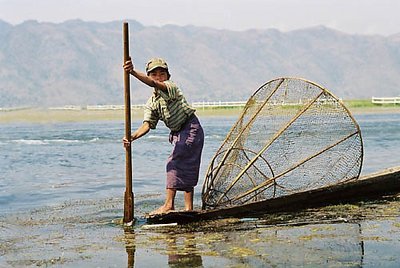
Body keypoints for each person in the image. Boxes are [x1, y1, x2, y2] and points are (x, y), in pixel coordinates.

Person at [123, 57, 204, 215]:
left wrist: (132, 72)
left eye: (162, 73)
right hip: (178, 132)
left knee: (174, 162)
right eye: (154, 74)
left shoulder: (170, 88)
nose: (159, 77)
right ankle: (188, 209)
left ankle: (169, 205)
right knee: (184, 164)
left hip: (191, 127)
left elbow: (154, 84)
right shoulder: (152, 103)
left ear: (168, 76)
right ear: (149, 75)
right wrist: (132, 137)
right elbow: (148, 125)